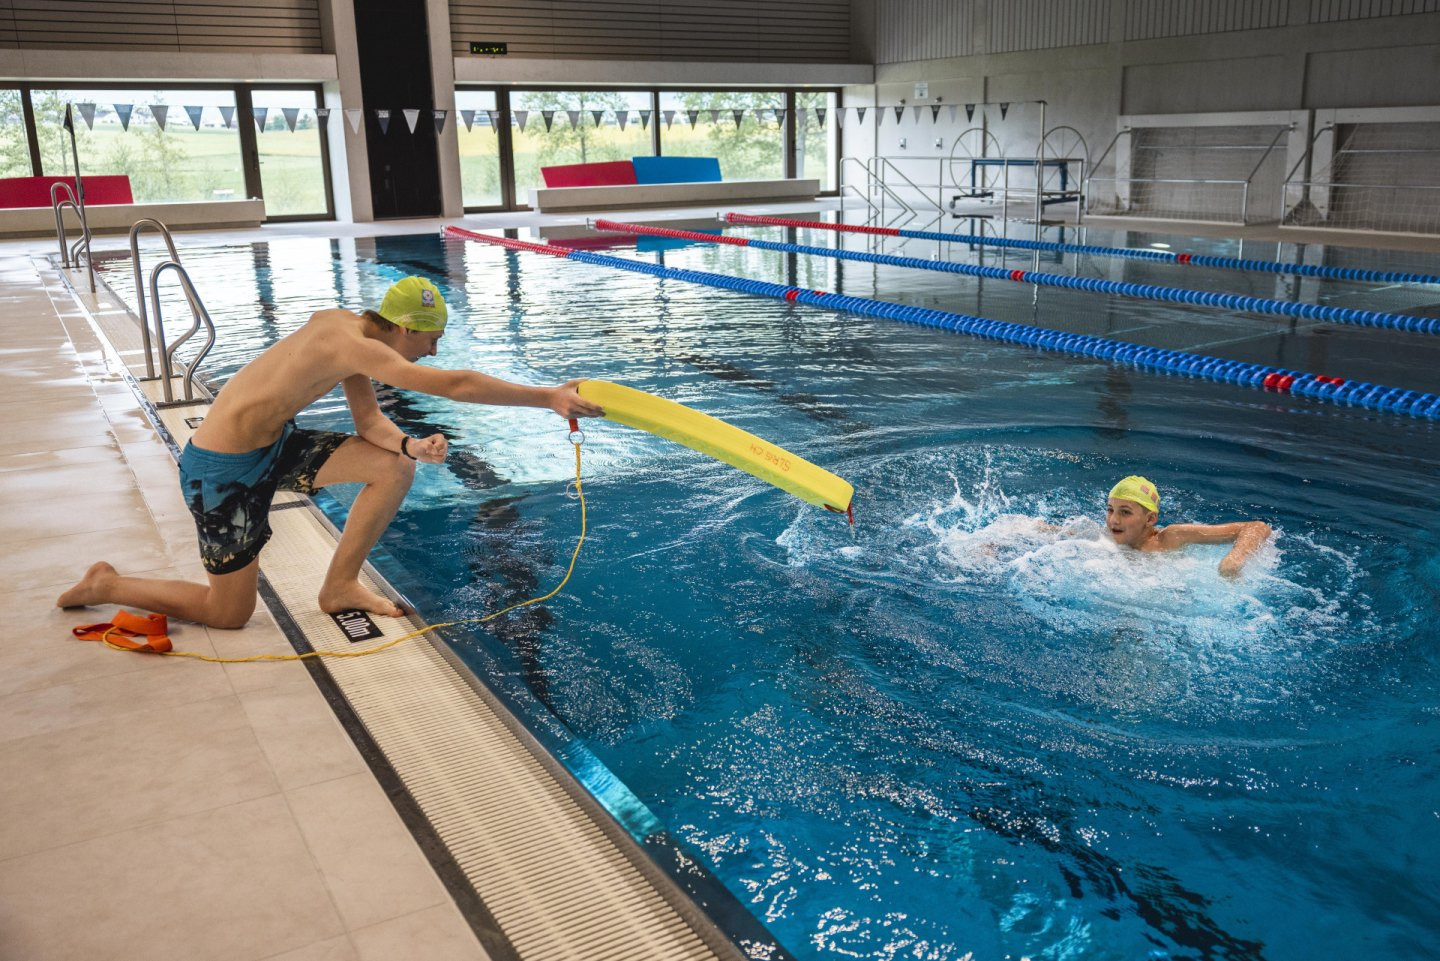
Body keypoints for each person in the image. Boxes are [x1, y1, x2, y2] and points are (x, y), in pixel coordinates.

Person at [57, 276, 603, 628]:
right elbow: (455, 384)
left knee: (393, 467)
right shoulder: (348, 341)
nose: (433, 348)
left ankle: (339, 585)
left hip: (275, 445)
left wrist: (411, 444)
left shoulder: (352, 332)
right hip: (221, 469)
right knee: (227, 614)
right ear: (405, 327)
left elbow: (368, 421)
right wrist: (549, 397)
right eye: (429, 338)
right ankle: (107, 583)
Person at [1105, 475, 1271, 577]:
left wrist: (1233, 560)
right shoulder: (1105, 538)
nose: (1114, 520)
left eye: (1125, 512)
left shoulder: (1172, 536)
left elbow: (1257, 527)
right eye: (1110, 510)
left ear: (1150, 519)